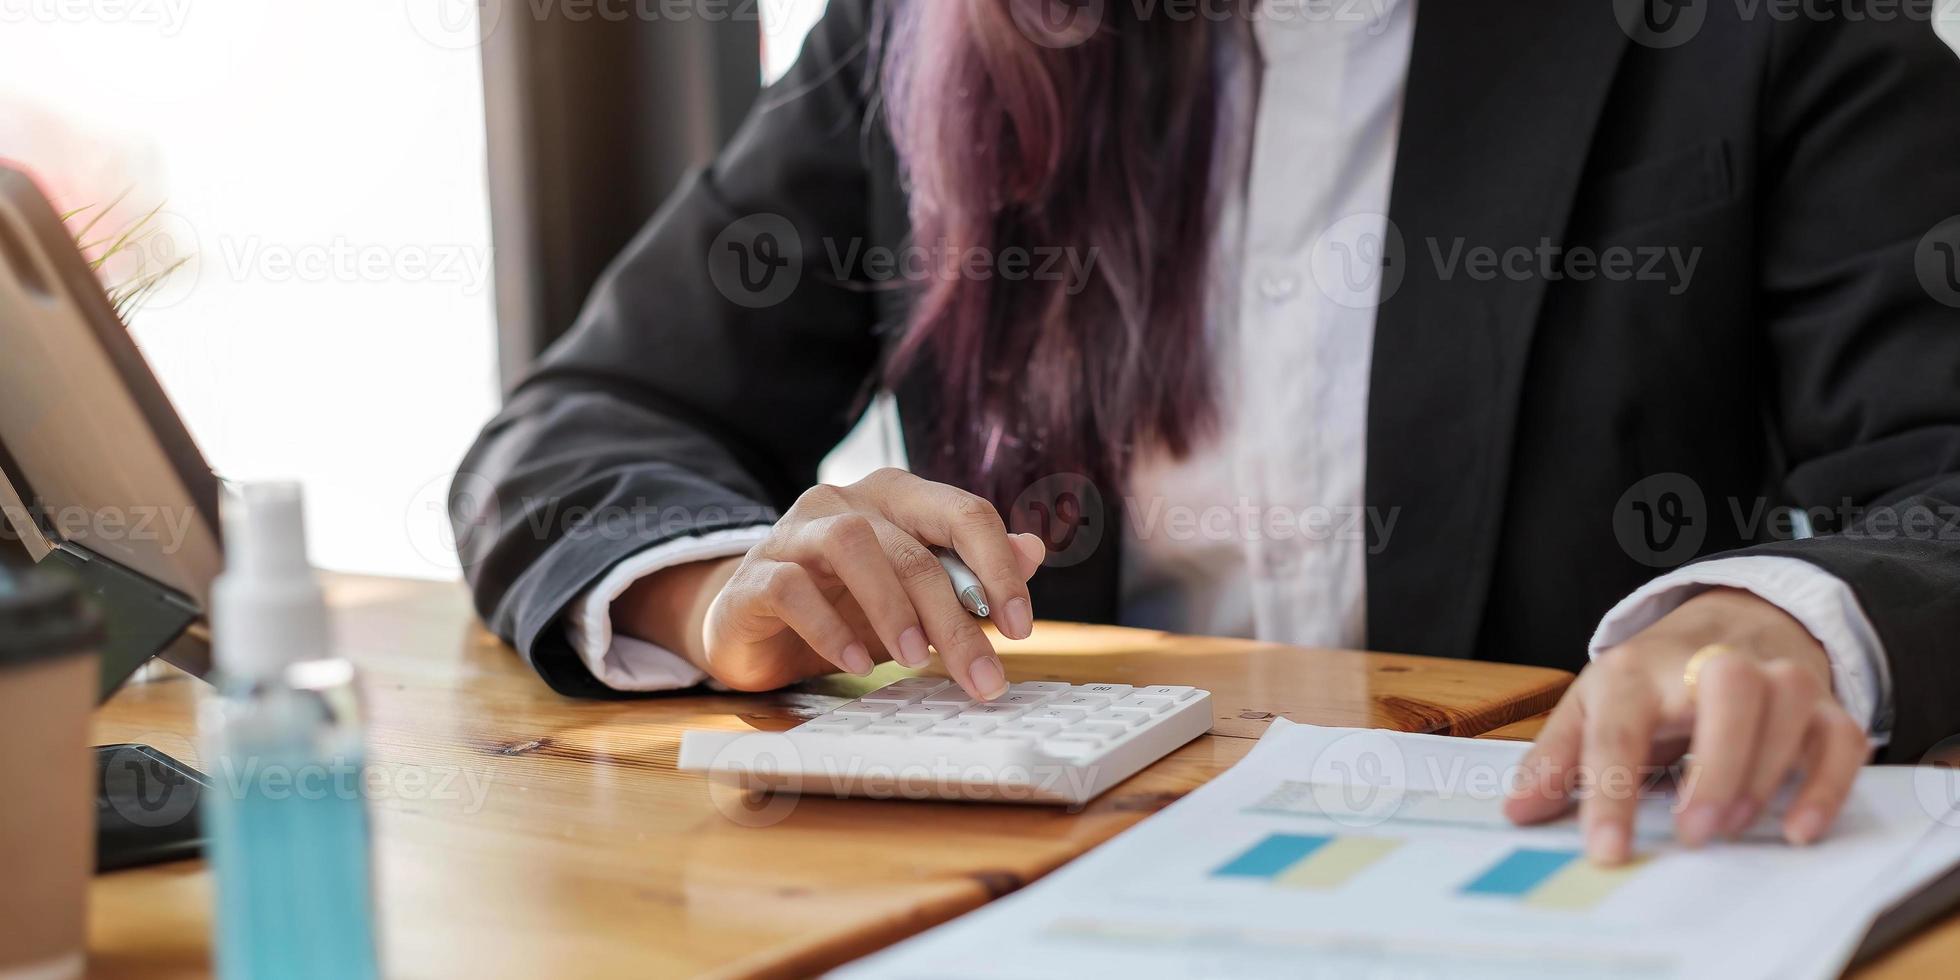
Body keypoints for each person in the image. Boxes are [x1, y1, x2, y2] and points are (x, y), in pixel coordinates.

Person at [452, 0, 1960, 865]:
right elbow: (592, 420)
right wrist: (716, 594)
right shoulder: (924, 33)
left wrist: (1775, 621)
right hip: (1058, 884)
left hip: (1574, 863)